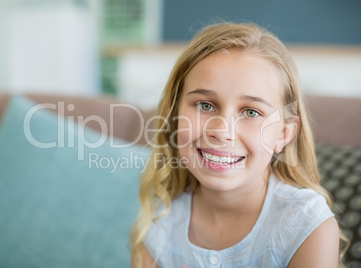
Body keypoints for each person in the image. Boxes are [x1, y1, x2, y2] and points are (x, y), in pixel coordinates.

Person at [131, 22, 347, 268]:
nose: (222, 132)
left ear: (283, 135)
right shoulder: (158, 222)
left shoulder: (306, 225)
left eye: (251, 112)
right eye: (205, 105)